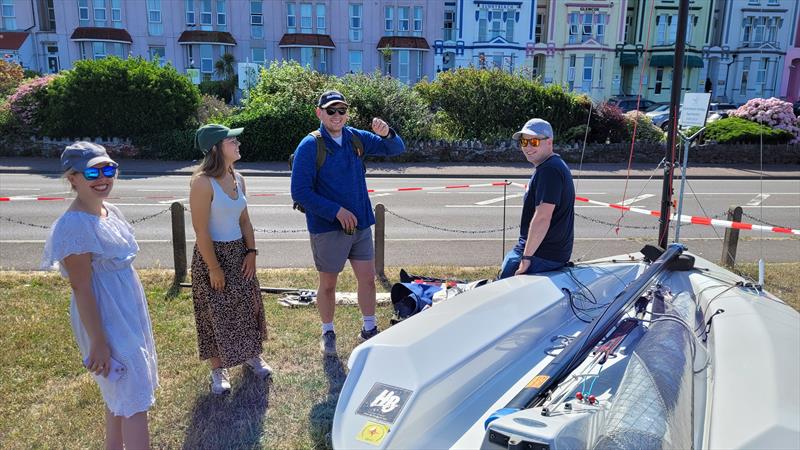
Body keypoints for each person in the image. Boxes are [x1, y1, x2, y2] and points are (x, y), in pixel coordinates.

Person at [42, 142, 158, 448]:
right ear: (73, 179)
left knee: (121, 392)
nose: (103, 177)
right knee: (133, 395)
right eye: (93, 171)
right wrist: (98, 341)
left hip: (126, 307)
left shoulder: (111, 211)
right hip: (103, 314)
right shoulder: (73, 226)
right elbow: (81, 287)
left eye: (109, 169)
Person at [291, 90, 405, 356]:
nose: (337, 116)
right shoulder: (310, 145)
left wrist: (387, 132)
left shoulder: (355, 137)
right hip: (328, 228)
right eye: (331, 111)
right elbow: (300, 192)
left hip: (361, 223)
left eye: (342, 110)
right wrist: (336, 211)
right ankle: (328, 331)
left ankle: (369, 329)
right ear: (319, 113)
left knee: (367, 280)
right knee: (328, 284)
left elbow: (396, 148)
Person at [189, 124, 272, 395]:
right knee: (215, 312)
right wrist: (214, 267)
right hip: (212, 254)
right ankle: (218, 369)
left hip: (239, 251)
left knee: (248, 305)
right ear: (215, 148)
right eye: (231, 140)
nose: (237, 143)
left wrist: (251, 253)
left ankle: (251, 356)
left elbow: (245, 220)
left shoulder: (238, 177)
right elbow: (201, 231)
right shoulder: (202, 182)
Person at [499, 118, 575, 279]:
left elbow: (542, 217)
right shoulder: (553, 165)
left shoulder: (549, 170)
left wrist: (526, 258)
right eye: (523, 142)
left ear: (549, 142)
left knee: (502, 298)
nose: (527, 147)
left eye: (533, 141)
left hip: (541, 255)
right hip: (550, 253)